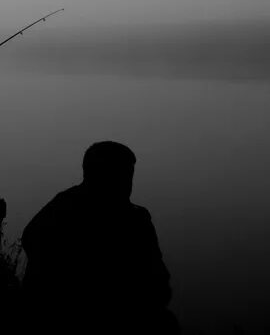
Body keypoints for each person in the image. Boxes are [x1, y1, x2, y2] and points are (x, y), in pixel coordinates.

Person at [21, 141, 179, 334]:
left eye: (130, 176)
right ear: (98, 174)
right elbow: (32, 242)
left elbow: (159, 281)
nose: (128, 183)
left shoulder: (136, 219)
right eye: (121, 175)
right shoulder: (66, 208)